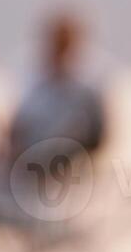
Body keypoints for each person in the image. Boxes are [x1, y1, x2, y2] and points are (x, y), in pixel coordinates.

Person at [8, 12, 107, 159]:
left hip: (73, 164)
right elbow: (17, 128)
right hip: (32, 163)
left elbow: (97, 136)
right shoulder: (32, 83)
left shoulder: (88, 87)